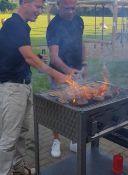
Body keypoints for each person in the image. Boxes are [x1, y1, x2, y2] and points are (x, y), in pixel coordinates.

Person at [0, 0, 69, 174]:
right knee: (9, 138)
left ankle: (17, 167)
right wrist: (57, 74)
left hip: (23, 86)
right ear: (24, 3)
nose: (40, 11)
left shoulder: (21, 26)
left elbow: (21, 55)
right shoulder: (14, 25)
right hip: (12, 89)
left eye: (41, 7)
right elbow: (30, 58)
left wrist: (35, 56)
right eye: (37, 7)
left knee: (22, 132)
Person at [46, 0, 87, 158]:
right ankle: (56, 140)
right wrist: (71, 73)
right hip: (59, 74)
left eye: (73, 8)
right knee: (58, 107)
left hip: (76, 70)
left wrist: (84, 64)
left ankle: (73, 138)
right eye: (66, 8)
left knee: (76, 105)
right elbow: (54, 58)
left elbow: (82, 43)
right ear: (58, 5)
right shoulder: (54, 26)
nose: (71, 11)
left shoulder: (79, 20)